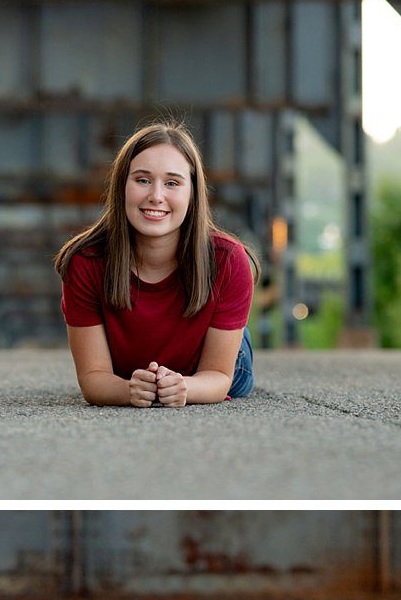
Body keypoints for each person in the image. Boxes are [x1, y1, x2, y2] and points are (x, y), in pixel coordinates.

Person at [55, 122, 260, 408]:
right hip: (132, 372)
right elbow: (93, 378)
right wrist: (128, 391)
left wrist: (184, 386)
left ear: (193, 193)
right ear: (121, 187)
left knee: (234, 373)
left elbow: (218, 375)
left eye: (172, 183)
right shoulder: (85, 261)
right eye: (142, 180)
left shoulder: (228, 260)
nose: (156, 195)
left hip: (213, 365)